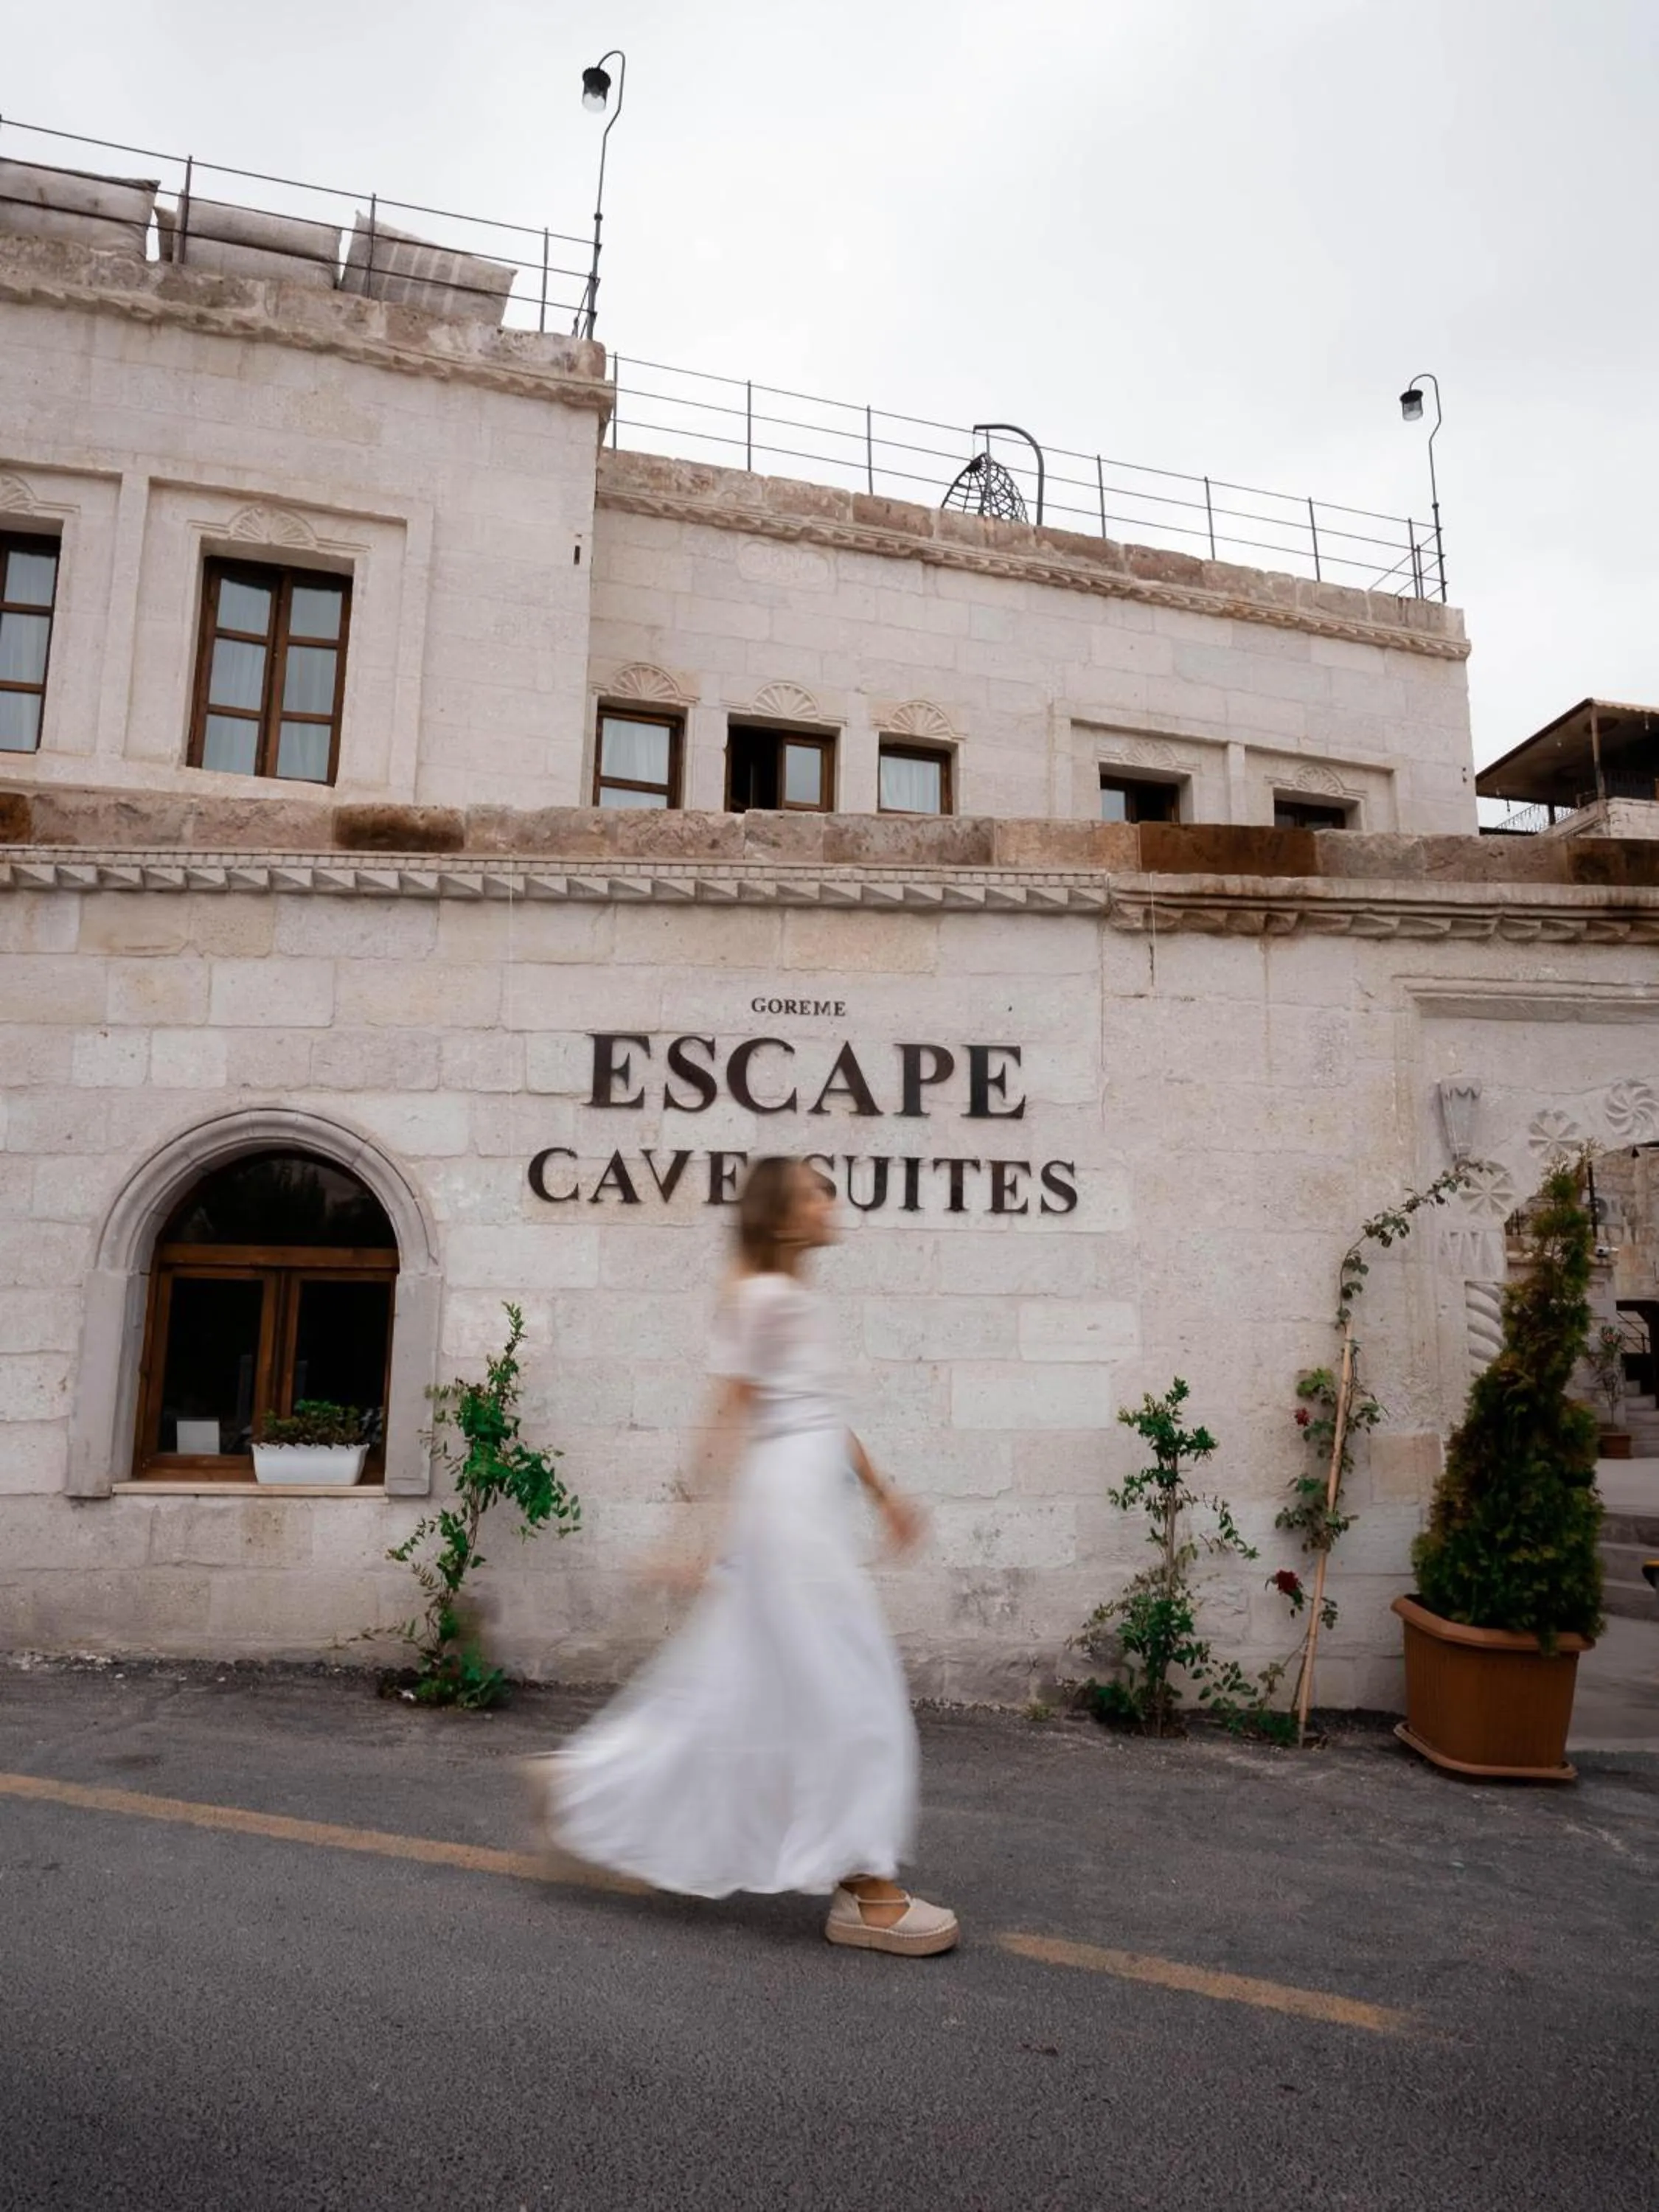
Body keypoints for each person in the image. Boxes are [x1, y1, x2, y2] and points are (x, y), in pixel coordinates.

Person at [538, 1155, 959, 1957]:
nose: (831, 1199)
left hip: (808, 1506)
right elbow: (727, 1417)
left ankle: (592, 1791)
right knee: (851, 1687)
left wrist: (885, 1497)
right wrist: (690, 1538)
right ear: (780, 1214)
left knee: (750, 1687)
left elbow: (822, 1418)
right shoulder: (761, 1298)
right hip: (789, 1513)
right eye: (815, 1189)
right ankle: (863, 1889)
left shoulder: (788, 1298)